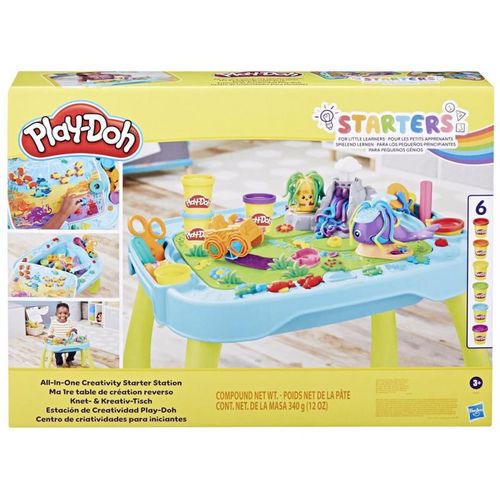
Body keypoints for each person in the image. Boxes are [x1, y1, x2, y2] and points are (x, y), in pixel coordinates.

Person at [47, 303, 78, 367]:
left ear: (69, 314)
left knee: (74, 350)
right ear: (56, 314)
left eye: (65, 313)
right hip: (58, 342)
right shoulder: (54, 322)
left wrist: (74, 330)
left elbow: (74, 329)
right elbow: (50, 331)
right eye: (60, 313)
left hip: (68, 342)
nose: (63, 315)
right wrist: (50, 335)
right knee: (57, 353)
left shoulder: (70, 322)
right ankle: (59, 363)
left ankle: (69, 359)